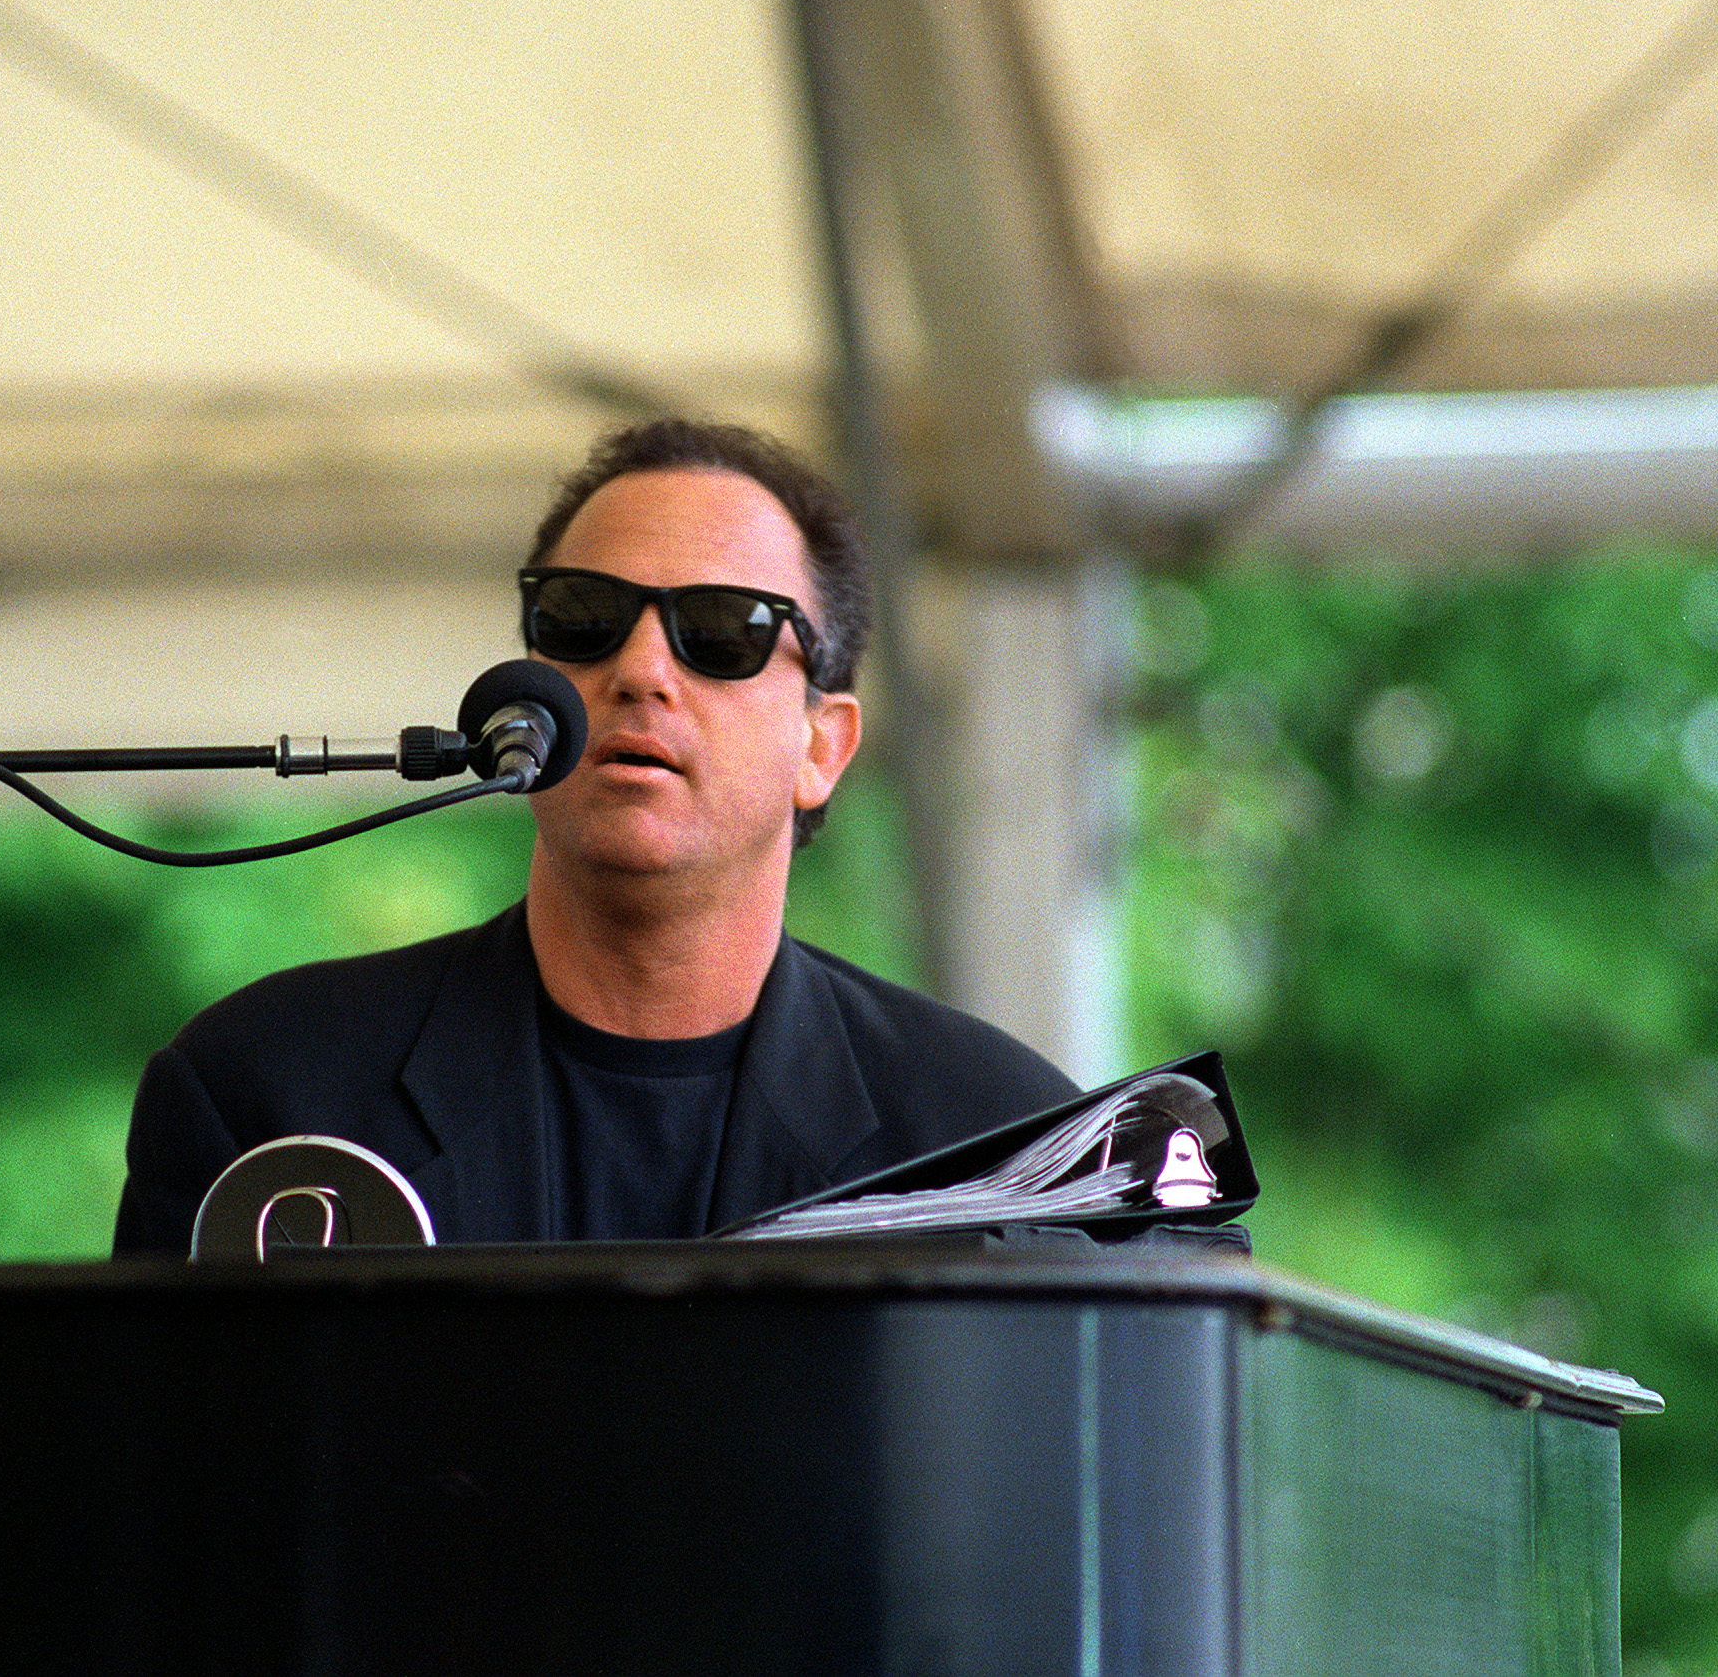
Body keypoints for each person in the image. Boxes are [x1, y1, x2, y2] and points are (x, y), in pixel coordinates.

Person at [111, 419, 1076, 1249]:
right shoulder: (266, 1093)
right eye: (584, 619)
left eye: (725, 630)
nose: (642, 669)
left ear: (824, 746)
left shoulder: (1001, 1145)